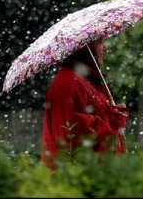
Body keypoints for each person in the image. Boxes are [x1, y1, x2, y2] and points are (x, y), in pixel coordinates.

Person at [41, 38, 129, 170]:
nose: (105, 48)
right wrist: (111, 123)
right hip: (79, 178)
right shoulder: (69, 83)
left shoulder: (84, 81)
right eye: (99, 43)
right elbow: (74, 133)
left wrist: (112, 115)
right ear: (85, 48)